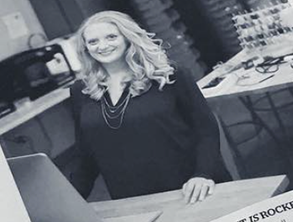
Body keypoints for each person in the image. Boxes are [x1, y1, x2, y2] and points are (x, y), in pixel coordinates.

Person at [67, 10, 231, 202]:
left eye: (111, 37)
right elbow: (86, 153)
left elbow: (206, 130)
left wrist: (203, 174)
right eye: (93, 42)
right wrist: (71, 201)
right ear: (85, 48)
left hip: (190, 189)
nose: (102, 46)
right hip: (132, 196)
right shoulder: (82, 90)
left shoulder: (169, 75)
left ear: (128, 38)